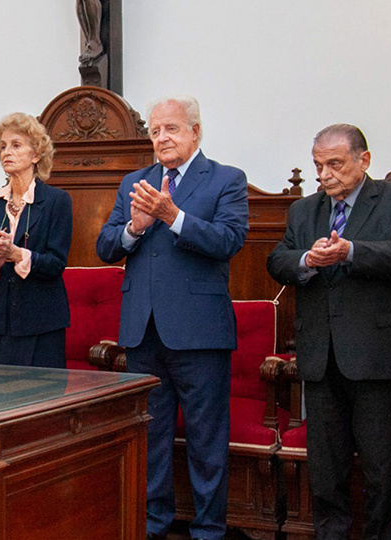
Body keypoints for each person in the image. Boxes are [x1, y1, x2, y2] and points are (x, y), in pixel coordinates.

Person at [96, 96, 249, 540]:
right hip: (143, 332)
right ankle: (152, 525)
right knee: (151, 439)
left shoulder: (225, 179)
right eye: (156, 131)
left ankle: (208, 530)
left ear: (195, 132)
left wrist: (173, 216)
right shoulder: (135, 181)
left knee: (205, 441)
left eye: (172, 129)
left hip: (200, 333)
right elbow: (106, 246)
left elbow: (229, 240)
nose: (162, 138)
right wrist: (136, 227)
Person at [267, 124, 391, 540]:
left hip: (379, 358)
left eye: (334, 164)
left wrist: (350, 251)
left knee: (380, 472)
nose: (323, 175)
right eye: (318, 165)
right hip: (321, 359)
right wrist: (307, 259)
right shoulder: (304, 210)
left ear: (364, 160)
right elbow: (277, 260)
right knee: (327, 472)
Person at [0, 112, 72, 368]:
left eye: (16, 145)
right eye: (3, 146)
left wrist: (17, 255)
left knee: (39, 403)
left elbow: (56, 263)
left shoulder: (57, 201)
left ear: (36, 155)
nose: (6, 152)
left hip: (41, 324)